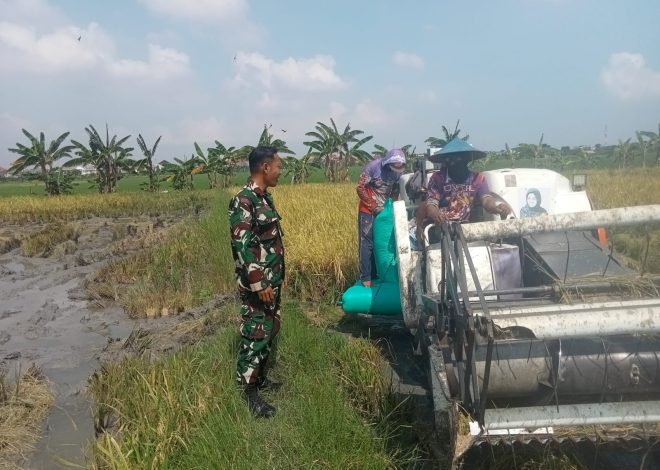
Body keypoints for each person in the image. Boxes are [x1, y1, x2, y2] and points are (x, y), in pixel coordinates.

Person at [229, 146, 285, 418]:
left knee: (270, 329)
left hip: (271, 281)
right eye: (278, 166)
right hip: (258, 286)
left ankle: (260, 379)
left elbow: (270, 242)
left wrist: (278, 278)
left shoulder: (264, 198)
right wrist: (259, 282)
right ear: (265, 167)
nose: (280, 171)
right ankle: (248, 393)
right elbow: (242, 246)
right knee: (255, 334)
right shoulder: (244, 200)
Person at [417, 139, 512, 244]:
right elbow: (431, 203)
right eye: (452, 160)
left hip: (467, 228)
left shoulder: (478, 179)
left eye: (459, 159)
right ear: (447, 161)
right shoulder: (437, 178)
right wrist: (435, 214)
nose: (456, 163)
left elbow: (486, 200)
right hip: (440, 228)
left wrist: (496, 208)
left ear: (467, 160)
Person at [356, 148, 406, 287]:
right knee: (367, 242)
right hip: (368, 209)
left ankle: (382, 273)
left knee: (385, 242)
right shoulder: (373, 167)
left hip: (385, 211)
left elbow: (395, 189)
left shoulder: (398, 173)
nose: (396, 170)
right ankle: (367, 277)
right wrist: (373, 206)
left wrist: (391, 208)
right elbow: (360, 188)